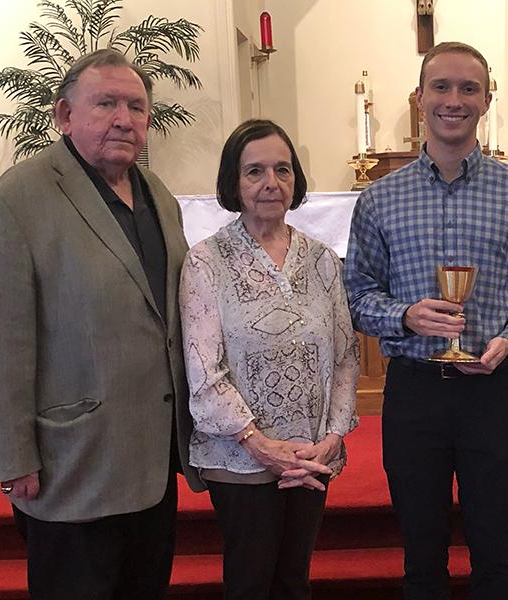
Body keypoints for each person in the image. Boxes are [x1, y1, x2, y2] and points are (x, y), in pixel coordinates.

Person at [0, 49, 204, 598]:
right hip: (73, 464)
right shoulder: (16, 202)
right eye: (106, 103)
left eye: (136, 106)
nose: (124, 118)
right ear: (65, 116)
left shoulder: (157, 196)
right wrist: (10, 454)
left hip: (153, 459)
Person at [345, 41, 508, 599]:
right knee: (421, 555)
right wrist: (406, 315)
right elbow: (357, 295)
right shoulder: (379, 199)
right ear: (418, 98)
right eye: (440, 87)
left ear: (487, 99)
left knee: (495, 551)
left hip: (489, 391)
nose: (453, 100)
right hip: (414, 394)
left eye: (468, 88)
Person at [179, 119, 359, 599]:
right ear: (233, 183)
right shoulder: (205, 262)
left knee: (294, 580)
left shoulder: (321, 259)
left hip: (311, 453)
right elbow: (203, 369)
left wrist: (331, 438)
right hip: (240, 456)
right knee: (251, 582)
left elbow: (345, 355)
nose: (271, 183)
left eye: (282, 169)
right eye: (254, 171)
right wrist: (260, 444)